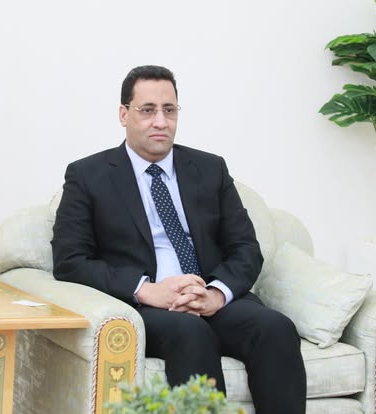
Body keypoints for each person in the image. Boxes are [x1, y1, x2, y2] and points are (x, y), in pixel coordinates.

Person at [51, 65, 306, 413]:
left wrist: (216, 294)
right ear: (124, 114)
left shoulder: (210, 168)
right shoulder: (87, 175)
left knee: (275, 327)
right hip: (146, 307)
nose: (160, 122)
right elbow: (70, 261)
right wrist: (145, 289)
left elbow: (245, 247)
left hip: (210, 298)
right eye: (147, 110)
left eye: (169, 110)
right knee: (190, 332)